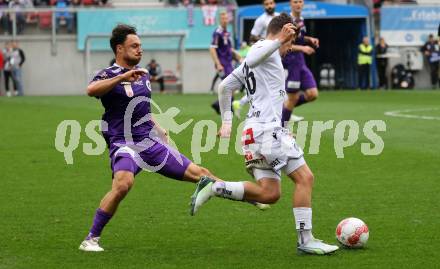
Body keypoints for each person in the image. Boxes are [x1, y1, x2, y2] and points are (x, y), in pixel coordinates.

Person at [79, 24, 264, 252]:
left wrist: (159, 128)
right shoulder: (109, 74)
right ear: (119, 49)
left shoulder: (143, 75)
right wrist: (122, 77)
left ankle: (247, 196)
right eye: (134, 46)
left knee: (201, 174)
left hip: (149, 142)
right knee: (123, 184)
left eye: (140, 46)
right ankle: (91, 239)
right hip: (124, 143)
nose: (140, 50)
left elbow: (143, 109)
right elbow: (92, 90)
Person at [191, 13, 339, 255]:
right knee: (305, 178)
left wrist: (227, 120)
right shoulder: (263, 49)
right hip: (266, 131)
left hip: (252, 132)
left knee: (270, 194)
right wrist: (280, 40)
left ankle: (215, 187)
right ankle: (306, 239)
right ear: (281, 32)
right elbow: (253, 54)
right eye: (289, 43)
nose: (289, 48)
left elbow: (225, 86)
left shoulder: (262, 55)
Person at [280, 0, 319, 126]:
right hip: (291, 63)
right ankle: (281, 129)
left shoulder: (301, 19)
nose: (298, 4)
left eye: (300, 1)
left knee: (312, 94)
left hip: (300, 62)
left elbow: (299, 37)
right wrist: (303, 48)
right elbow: (284, 44)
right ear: (291, 4)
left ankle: (283, 108)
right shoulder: (288, 21)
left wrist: (309, 39)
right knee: (293, 98)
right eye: (295, 2)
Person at [210, 11, 241, 114]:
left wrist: (237, 57)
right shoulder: (217, 32)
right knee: (230, 85)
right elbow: (212, 48)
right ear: (220, 19)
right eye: (223, 18)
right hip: (222, 64)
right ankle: (226, 107)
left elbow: (229, 49)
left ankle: (219, 105)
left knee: (230, 86)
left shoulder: (227, 33)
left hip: (228, 63)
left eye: (226, 18)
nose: (225, 20)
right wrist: (218, 64)